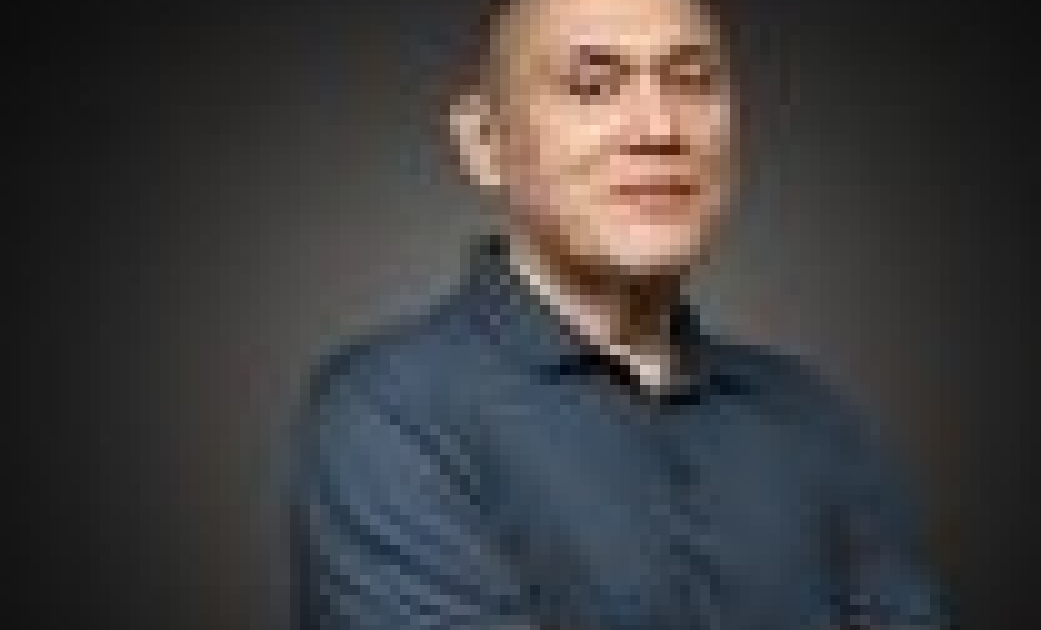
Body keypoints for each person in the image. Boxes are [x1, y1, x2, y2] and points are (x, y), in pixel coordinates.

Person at [287, 0, 951, 627]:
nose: (660, 130)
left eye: (692, 83)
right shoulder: (389, 414)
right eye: (594, 88)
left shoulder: (814, 415)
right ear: (485, 143)